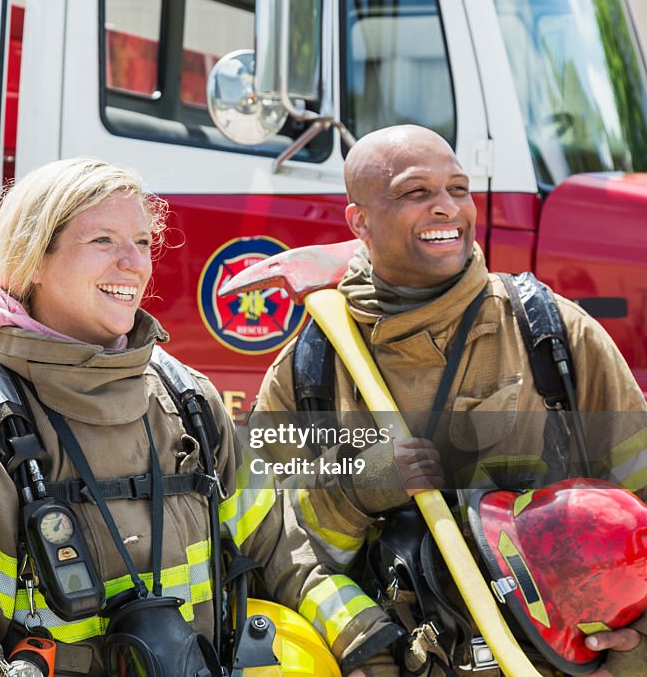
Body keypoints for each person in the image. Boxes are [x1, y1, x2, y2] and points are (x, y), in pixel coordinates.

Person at [0, 157, 399, 676]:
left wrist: (367, 646)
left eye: (143, 242)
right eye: (103, 241)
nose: (134, 263)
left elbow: (283, 552)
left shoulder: (189, 402)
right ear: (30, 260)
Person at [253, 124, 647, 676]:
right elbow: (272, 551)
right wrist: (358, 490)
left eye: (458, 190)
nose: (448, 208)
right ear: (359, 221)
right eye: (417, 193)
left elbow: (642, 507)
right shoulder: (309, 368)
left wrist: (634, 657)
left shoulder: (552, 335)